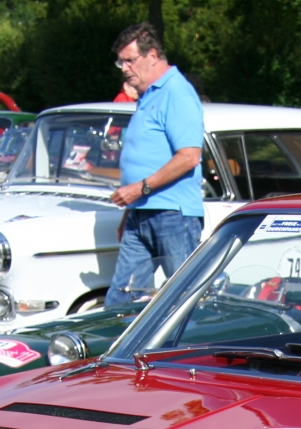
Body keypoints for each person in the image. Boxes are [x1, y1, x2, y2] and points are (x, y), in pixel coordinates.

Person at [105, 22, 205, 307]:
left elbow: (189, 156)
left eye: (129, 60)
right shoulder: (149, 94)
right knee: (122, 297)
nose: (124, 68)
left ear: (152, 56)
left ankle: (195, 350)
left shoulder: (177, 92)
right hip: (142, 211)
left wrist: (140, 188)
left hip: (173, 214)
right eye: (120, 62)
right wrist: (132, 208)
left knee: (186, 299)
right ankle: (115, 351)